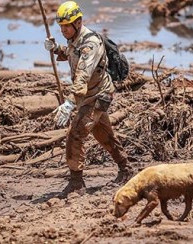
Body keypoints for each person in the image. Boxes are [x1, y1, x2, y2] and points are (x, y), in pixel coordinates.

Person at [44, 1, 133, 194]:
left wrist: (69, 104)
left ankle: (77, 183)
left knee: (75, 135)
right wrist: (57, 48)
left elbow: (82, 77)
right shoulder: (75, 39)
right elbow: (70, 53)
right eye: (61, 26)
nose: (63, 30)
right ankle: (126, 169)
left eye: (66, 26)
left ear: (78, 22)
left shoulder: (90, 44)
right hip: (91, 94)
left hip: (98, 95)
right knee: (103, 134)